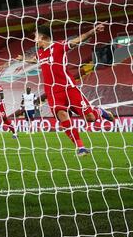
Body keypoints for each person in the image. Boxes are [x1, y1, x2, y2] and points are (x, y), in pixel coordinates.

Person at [16, 23, 113, 156]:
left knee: (90, 117)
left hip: (69, 88)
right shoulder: (40, 53)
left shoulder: (59, 46)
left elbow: (78, 40)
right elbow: (34, 60)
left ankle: (98, 111)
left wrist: (93, 31)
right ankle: (80, 147)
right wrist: (23, 59)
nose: (34, 40)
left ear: (43, 37)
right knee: (62, 116)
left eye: (36, 37)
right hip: (53, 93)